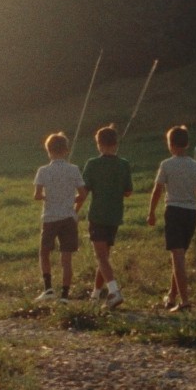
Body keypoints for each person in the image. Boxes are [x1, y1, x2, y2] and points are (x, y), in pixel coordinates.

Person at [145, 124, 196, 312]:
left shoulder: (166, 164)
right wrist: (195, 185)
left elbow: (157, 190)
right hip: (192, 213)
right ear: (187, 144)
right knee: (180, 255)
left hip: (174, 211)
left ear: (170, 144)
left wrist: (151, 212)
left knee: (177, 256)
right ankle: (172, 296)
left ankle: (185, 301)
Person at [78, 124, 133, 307]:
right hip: (115, 216)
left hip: (98, 215)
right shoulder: (124, 164)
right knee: (104, 258)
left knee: (101, 257)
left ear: (99, 145)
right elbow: (128, 192)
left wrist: (73, 210)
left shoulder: (92, 164)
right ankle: (95, 296)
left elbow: (84, 192)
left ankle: (114, 292)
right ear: (116, 144)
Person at [32, 131, 84, 302]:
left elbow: (37, 195)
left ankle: (48, 288)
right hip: (68, 217)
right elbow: (82, 194)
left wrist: (48, 197)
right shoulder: (74, 169)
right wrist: (70, 200)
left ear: (48, 151)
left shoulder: (43, 171)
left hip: (50, 217)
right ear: (66, 150)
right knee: (66, 258)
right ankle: (65, 295)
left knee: (44, 252)